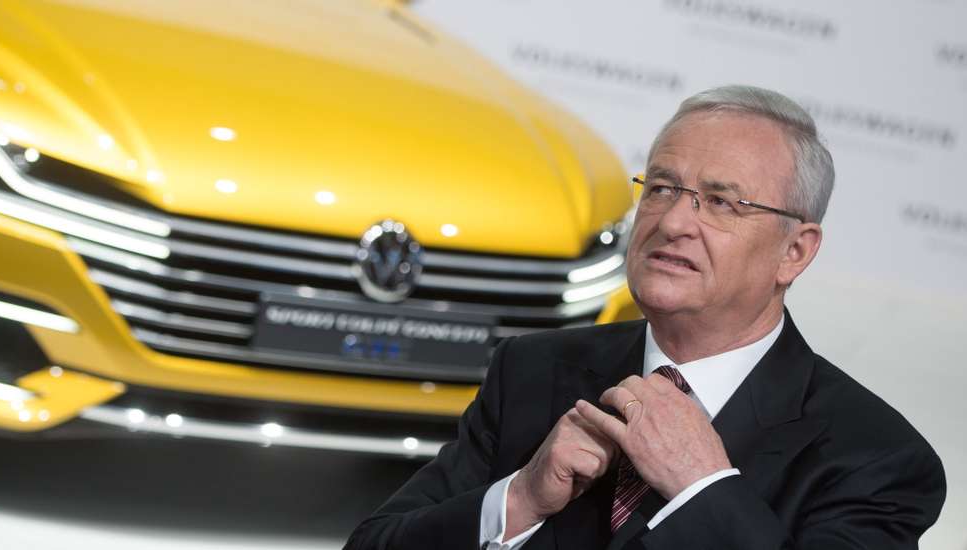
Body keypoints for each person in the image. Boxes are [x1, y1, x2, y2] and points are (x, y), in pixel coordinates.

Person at [343, 85, 946, 550]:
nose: (675, 222)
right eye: (661, 187)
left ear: (795, 252)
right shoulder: (531, 369)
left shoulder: (878, 457)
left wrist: (703, 488)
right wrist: (519, 498)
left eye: (722, 202)